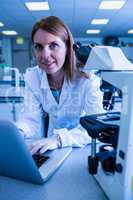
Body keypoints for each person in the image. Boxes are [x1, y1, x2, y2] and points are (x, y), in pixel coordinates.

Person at [16, 16, 103, 155]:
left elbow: (97, 127)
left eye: (53, 45)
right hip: (49, 149)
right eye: (39, 46)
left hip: (80, 147)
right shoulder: (33, 77)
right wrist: (17, 133)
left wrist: (58, 139)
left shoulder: (88, 78)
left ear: (68, 47)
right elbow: (29, 119)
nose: (45, 55)